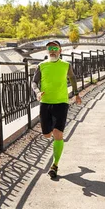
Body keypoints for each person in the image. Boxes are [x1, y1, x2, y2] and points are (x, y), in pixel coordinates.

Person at [31, 40, 82, 178]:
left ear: (60, 51)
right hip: (46, 103)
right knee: (47, 135)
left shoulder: (66, 65)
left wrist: (77, 94)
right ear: (47, 51)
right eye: (49, 48)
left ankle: (55, 165)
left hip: (61, 103)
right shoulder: (42, 66)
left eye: (55, 48)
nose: (52, 51)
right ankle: (54, 140)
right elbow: (34, 82)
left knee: (58, 133)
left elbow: (72, 77)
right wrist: (37, 92)